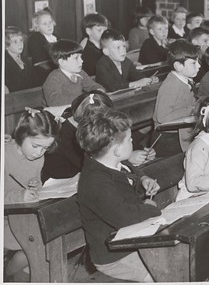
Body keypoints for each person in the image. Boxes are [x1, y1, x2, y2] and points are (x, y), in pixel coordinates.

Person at [76, 108, 161, 282]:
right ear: (116, 150)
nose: (133, 141)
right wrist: (149, 208)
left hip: (132, 239)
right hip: (114, 256)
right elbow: (124, 217)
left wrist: (143, 180)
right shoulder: (95, 182)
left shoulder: (109, 163)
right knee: (160, 274)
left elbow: (127, 175)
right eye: (130, 139)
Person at [42, 91, 157, 183]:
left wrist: (140, 151)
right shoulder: (65, 134)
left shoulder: (88, 126)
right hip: (61, 184)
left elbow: (112, 140)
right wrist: (128, 157)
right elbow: (95, 160)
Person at [4, 108, 59, 281]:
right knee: (37, 244)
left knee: (48, 239)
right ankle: (7, 272)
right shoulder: (5, 155)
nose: (39, 153)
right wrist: (20, 196)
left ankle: (19, 273)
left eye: (45, 148)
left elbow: (33, 183)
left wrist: (36, 185)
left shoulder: (37, 158)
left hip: (25, 215)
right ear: (21, 135)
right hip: (4, 219)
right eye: (36, 146)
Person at [152, 40, 200, 157]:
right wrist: (191, 109)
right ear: (178, 66)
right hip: (167, 138)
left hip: (181, 132)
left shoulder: (185, 79)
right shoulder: (172, 84)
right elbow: (162, 117)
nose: (199, 66)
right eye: (194, 63)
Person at [42, 40, 104, 106]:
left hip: (77, 108)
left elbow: (92, 85)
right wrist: (84, 98)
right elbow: (54, 101)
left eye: (81, 57)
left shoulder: (80, 73)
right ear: (62, 62)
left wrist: (99, 90)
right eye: (76, 58)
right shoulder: (53, 78)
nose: (82, 61)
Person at [5, 26, 43, 92]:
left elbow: (35, 83)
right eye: (15, 41)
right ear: (6, 46)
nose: (20, 44)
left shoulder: (26, 61)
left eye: (21, 40)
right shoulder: (4, 64)